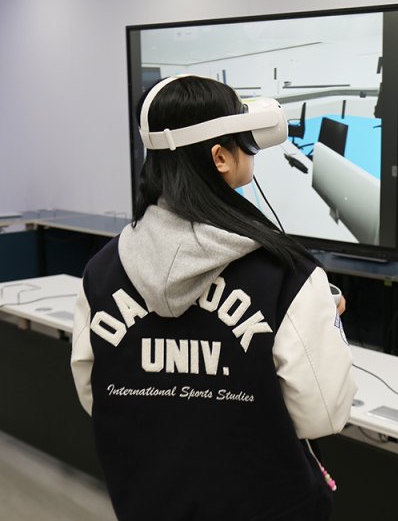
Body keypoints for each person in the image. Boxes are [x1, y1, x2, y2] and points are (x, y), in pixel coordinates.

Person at [70, 75, 357, 521]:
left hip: (148, 503)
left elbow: (95, 394)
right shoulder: (288, 275)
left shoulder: (101, 272)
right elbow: (323, 413)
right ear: (220, 157)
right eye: (245, 140)